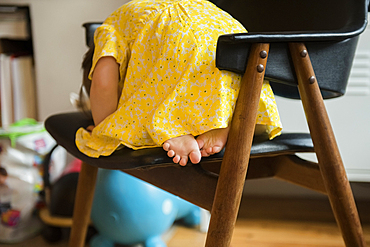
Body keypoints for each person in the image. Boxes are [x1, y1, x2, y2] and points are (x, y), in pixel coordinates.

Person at [75, 0, 282, 166]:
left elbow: (102, 82)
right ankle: (221, 123)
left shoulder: (110, 28)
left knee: (150, 97)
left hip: (178, 40)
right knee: (211, 82)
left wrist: (103, 127)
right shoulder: (151, 10)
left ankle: (175, 132)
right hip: (236, 44)